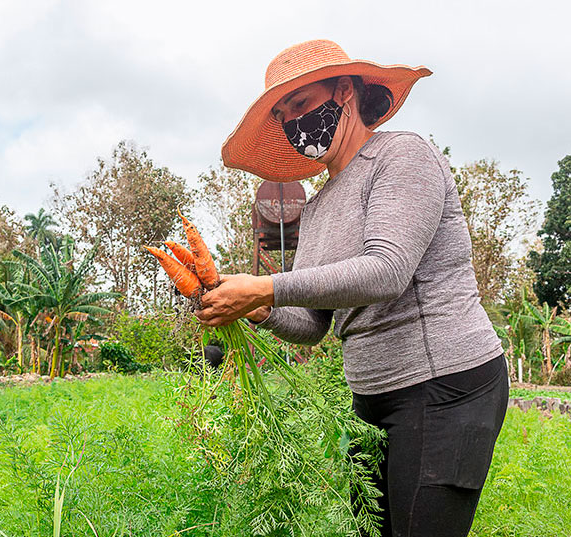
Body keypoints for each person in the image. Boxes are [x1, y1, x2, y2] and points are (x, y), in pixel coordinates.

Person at [197, 40, 509, 537]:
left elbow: (386, 270)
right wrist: (253, 307)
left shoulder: (401, 156)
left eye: (298, 105)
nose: (292, 123)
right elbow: (313, 325)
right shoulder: (317, 209)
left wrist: (266, 287)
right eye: (282, 115)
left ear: (344, 91)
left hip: (444, 384)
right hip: (372, 398)